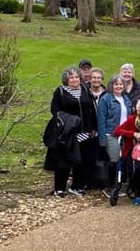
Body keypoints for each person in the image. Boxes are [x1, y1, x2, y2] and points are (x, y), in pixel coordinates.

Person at [44, 67, 97, 197]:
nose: (74, 79)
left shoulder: (85, 89)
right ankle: (60, 188)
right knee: (64, 162)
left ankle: (77, 186)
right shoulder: (60, 92)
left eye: (76, 77)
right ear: (66, 80)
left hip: (85, 132)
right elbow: (55, 111)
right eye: (71, 77)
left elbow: (92, 109)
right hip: (68, 133)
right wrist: (70, 121)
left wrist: (94, 127)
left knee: (82, 161)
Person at [97, 75, 132, 195]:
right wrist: (102, 138)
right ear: (111, 86)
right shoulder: (106, 99)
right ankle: (109, 186)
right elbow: (101, 119)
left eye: (121, 84)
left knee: (123, 160)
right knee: (114, 160)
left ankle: (118, 185)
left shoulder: (126, 99)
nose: (118, 86)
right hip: (111, 134)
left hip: (125, 135)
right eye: (116, 84)